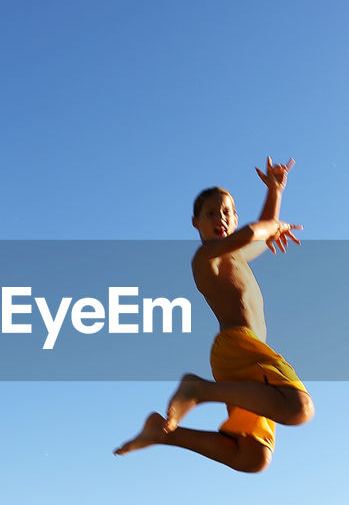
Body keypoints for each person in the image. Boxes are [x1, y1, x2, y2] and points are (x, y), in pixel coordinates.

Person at [114, 157, 314, 473]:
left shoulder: (235, 255)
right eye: (211, 213)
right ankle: (198, 390)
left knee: (253, 456)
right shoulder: (206, 257)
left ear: (233, 219)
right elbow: (253, 232)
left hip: (244, 363)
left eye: (227, 212)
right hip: (239, 347)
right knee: (298, 408)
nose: (221, 217)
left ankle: (164, 434)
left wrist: (274, 191)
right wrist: (272, 226)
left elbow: (255, 234)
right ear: (196, 222)